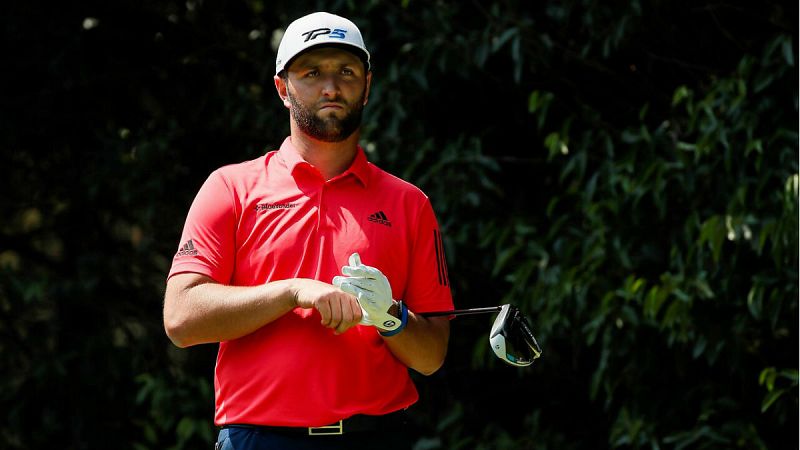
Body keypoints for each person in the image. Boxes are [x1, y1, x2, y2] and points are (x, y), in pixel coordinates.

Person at [162, 11, 454, 450]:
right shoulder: (231, 187)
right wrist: (293, 291)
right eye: (312, 72)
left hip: (376, 436)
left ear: (367, 87)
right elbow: (181, 318)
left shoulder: (409, 203)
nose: (331, 87)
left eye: (347, 72)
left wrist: (390, 316)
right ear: (283, 87)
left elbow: (431, 357)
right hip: (258, 439)